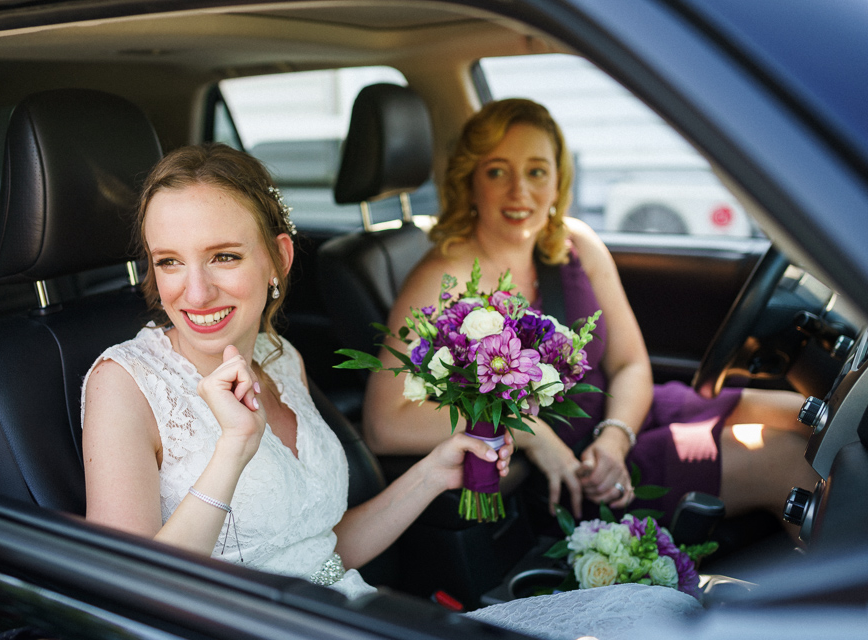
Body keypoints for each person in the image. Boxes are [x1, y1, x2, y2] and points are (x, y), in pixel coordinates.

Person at [80, 143, 514, 600]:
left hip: (339, 610)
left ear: (278, 259)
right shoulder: (125, 384)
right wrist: (233, 449)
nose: (196, 292)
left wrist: (433, 475)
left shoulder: (281, 357)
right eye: (169, 261)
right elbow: (125, 593)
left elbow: (318, 557)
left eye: (223, 256)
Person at [363, 98, 819, 526]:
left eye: (537, 171)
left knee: (810, 418)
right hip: (576, 471)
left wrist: (617, 435)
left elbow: (629, 363)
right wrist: (530, 434)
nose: (520, 190)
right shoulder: (442, 275)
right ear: (470, 181)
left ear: (558, 180)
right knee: (788, 460)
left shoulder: (576, 245)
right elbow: (386, 424)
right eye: (498, 171)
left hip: (629, 418)